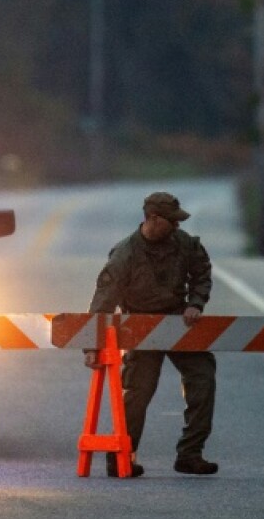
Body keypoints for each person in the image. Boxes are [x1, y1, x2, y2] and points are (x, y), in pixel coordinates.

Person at [87, 191, 217, 477]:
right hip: (141, 329)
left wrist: (196, 302)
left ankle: (190, 454)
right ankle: (121, 457)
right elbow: (103, 303)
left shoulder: (184, 244)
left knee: (202, 378)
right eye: (173, 221)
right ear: (155, 220)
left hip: (177, 322)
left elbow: (202, 272)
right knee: (138, 391)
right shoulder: (125, 254)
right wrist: (92, 347)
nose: (178, 226)